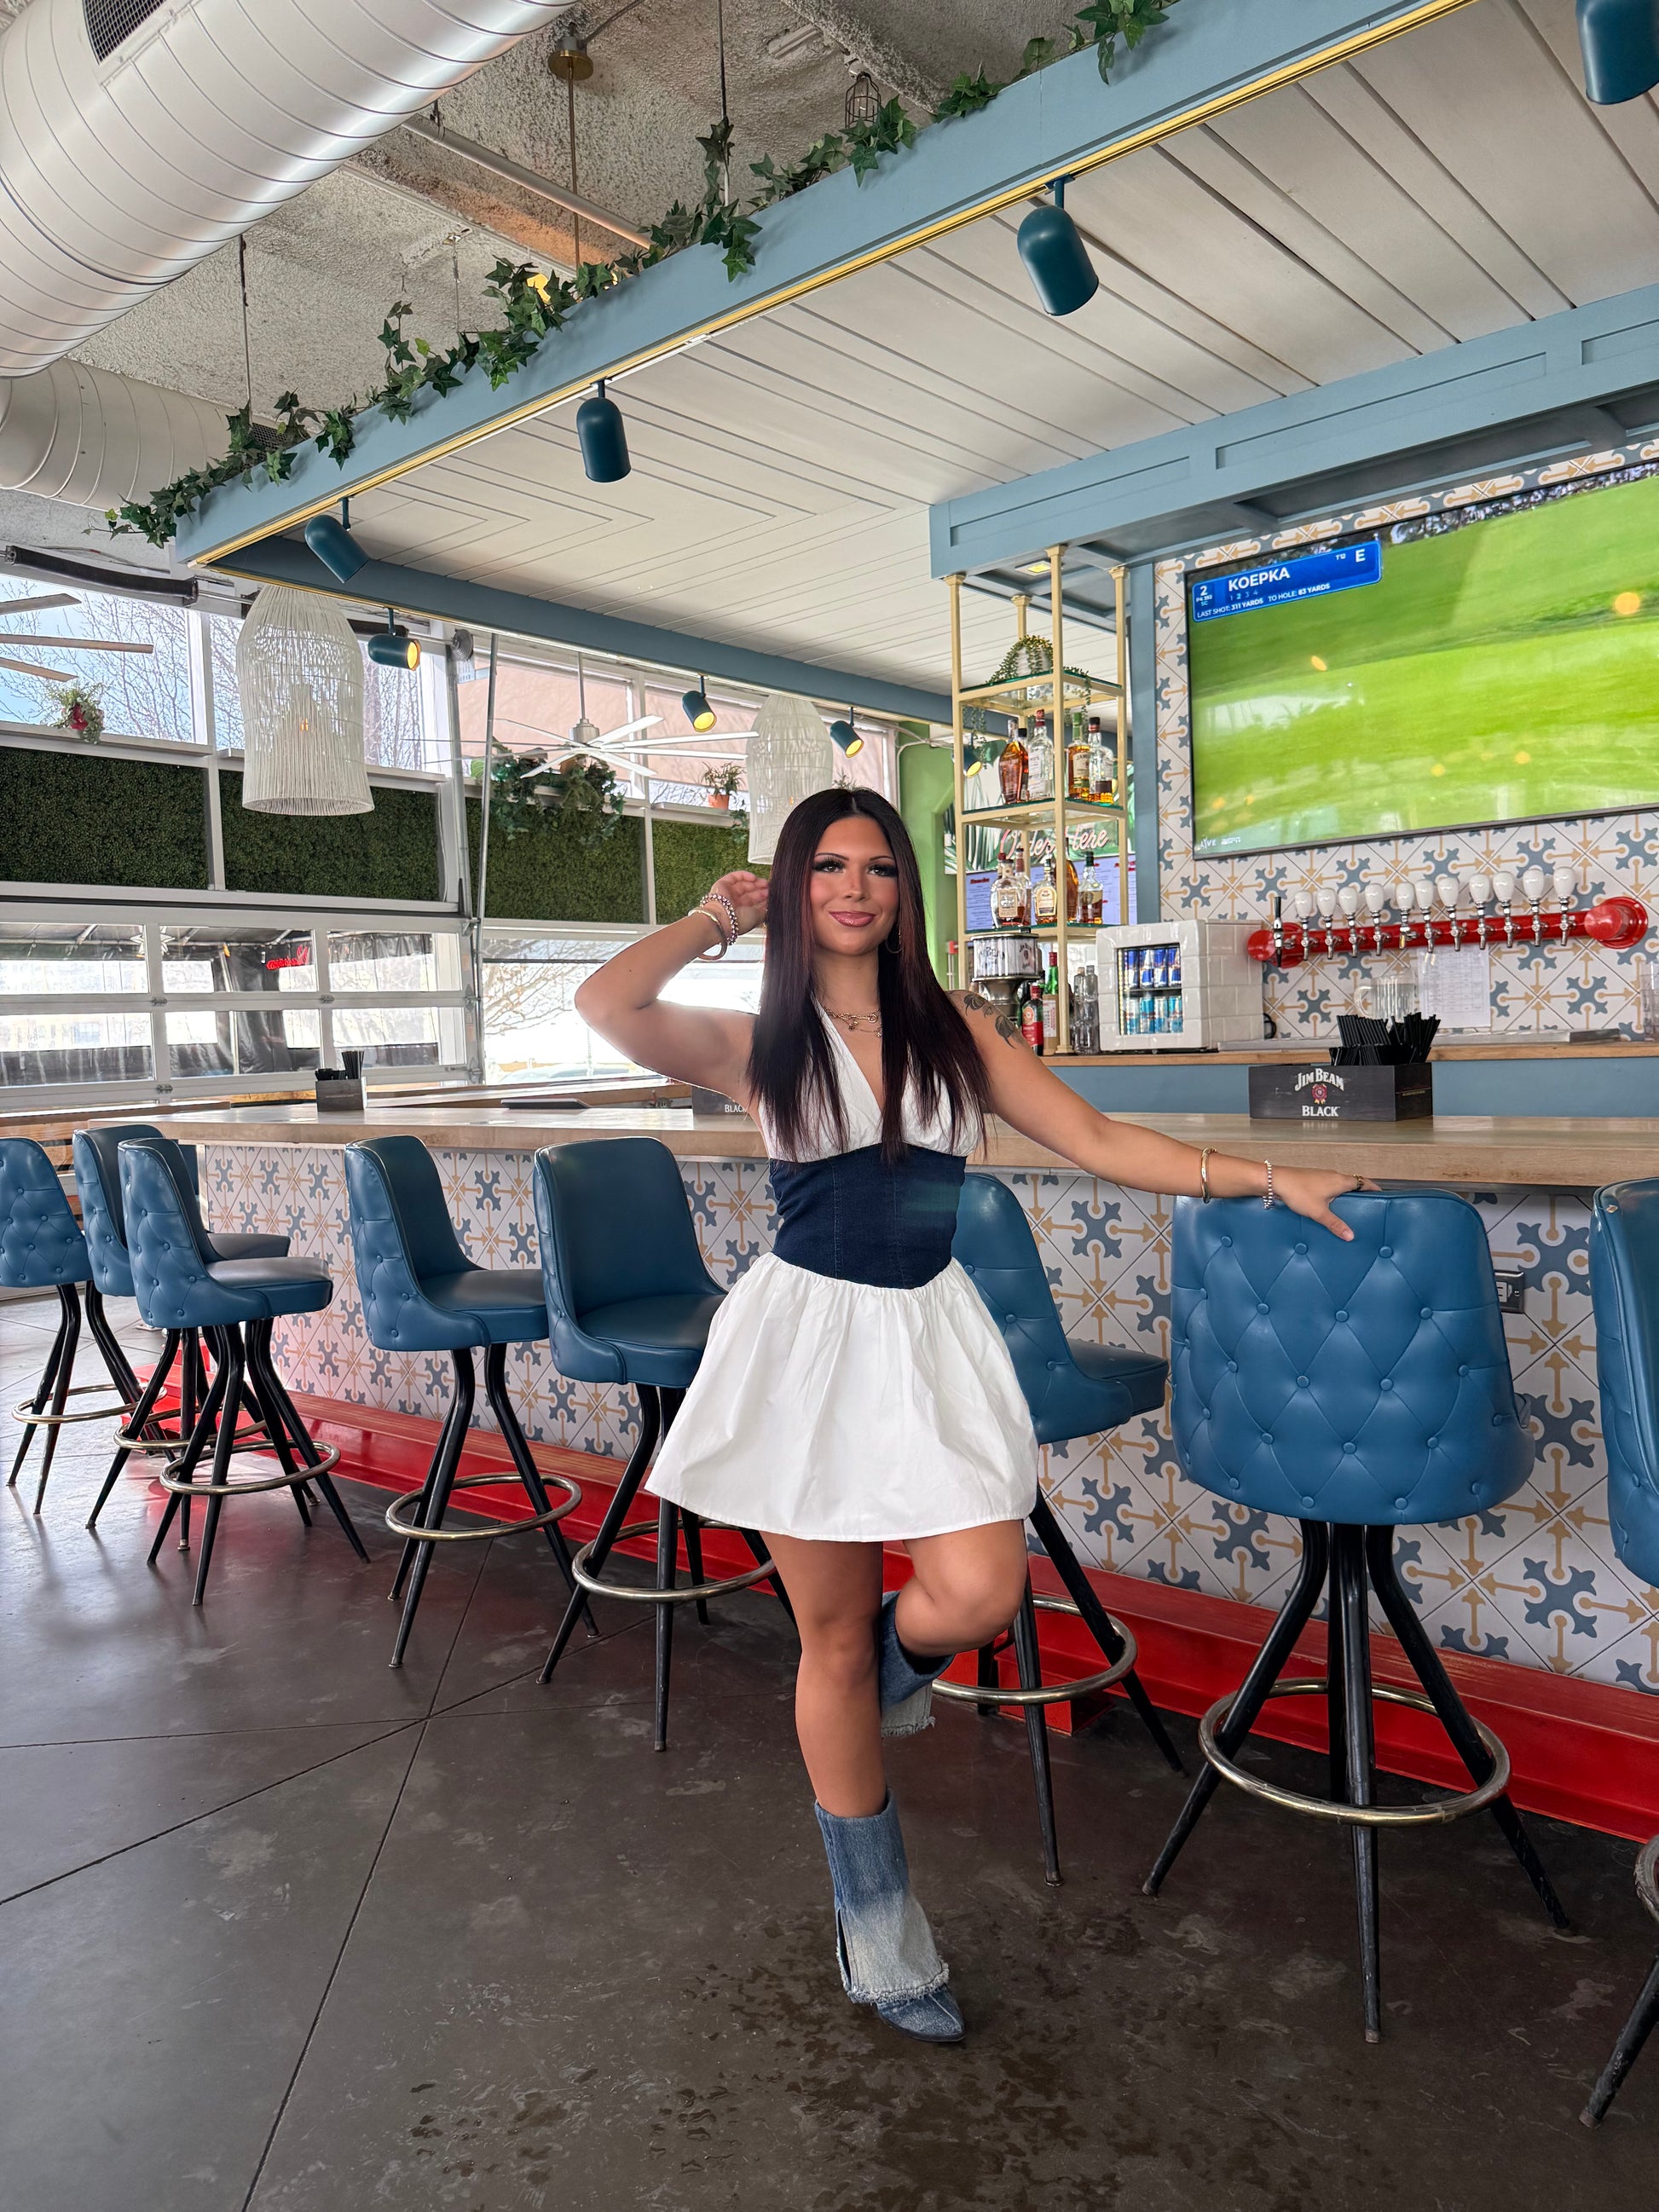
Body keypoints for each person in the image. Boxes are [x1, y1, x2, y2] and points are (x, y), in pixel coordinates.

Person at [574, 787, 1364, 2044]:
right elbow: (606, 1005)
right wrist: (713, 918)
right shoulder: (757, 1039)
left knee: (982, 1592)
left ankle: (892, 1673)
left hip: (928, 1335)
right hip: (803, 1345)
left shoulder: (957, 1032)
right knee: (827, 1643)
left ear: (907, 893)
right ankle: (877, 1921)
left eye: (879, 868)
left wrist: (1272, 1178)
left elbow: (1096, 1137)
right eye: (827, 867)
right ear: (794, 887)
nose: (854, 888)